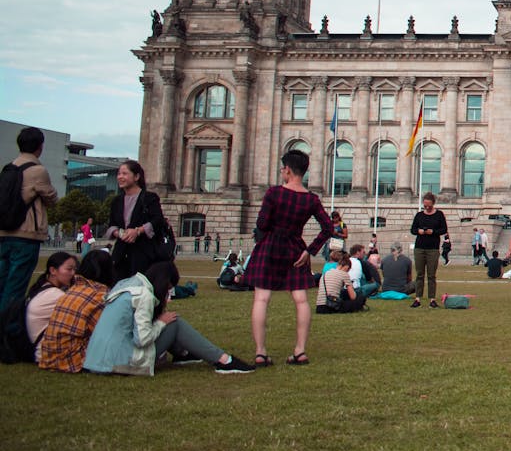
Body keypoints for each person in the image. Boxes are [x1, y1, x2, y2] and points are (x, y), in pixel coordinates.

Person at [84, 261, 254, 374]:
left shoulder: (127, 284)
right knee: (174, 322)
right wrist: (160, 323)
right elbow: (142, 339)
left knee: (168, 320)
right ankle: (223, 360)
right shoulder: (143, 295)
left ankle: (183, 353)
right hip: (120, 362)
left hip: (96, 359)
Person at [245, 149, 334, 367]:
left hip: (270, 247)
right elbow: (328, 227)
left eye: (282, 169)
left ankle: (260, 352)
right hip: (296, 249)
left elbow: (262, 224)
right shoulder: (311, 199)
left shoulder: (274, 193)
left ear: (287, 170)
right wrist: (309, 250)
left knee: (261, 299)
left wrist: (266, 235)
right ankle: (300, 350)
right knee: (301, 300)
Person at [1, 127, 58, 312]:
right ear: (40, 147)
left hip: (4, 233)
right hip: (26, 234)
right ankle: (7, 332)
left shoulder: (9, 167)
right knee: (15, 288)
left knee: (3, 283)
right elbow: (52, 198)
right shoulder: (37, 170)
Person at [38, 249, 115, 372]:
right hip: (72, 360)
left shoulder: (73, 289)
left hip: (48, 357)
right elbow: (104, 333)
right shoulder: (99, 296)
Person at [103, 161, 171, 281]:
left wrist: (137, 231)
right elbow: (112, 225)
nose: (120, 177)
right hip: (121, 252)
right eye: (119, 174)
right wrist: (120, 233)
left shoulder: (150, 198)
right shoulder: (116, 201)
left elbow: (157, 220)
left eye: (124, 174)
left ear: (136, 177)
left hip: (145, 252)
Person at [25, 251, 78, 363]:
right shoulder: (55, 295)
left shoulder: (42, 287)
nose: (73, 274)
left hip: (38, 348)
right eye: (69, 269)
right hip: (46, 353)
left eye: (74, 269)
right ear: (53, 270)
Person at [410, 192, 448, 309]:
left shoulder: (439, 215)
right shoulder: (419, 215)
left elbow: (444, 229)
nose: (426, 207)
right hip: (420, 247)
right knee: (419, 274)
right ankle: (418, 298)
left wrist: (433, 232)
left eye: (429, 205)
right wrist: (419, 231)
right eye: (425, 205)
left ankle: (432, 299)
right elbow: (412, 229)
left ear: (433, 204)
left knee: (431, 275)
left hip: (433, 248)